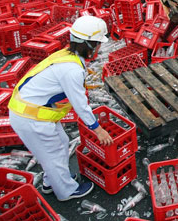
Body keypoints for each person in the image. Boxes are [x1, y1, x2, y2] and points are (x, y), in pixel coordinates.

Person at [8, 15, 114, 201]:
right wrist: (98, 130)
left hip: (36, 112)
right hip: (30, 118)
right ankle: (65, 191)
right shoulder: (71, 70)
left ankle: (52, 181)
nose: (99, 48)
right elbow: (81, 106)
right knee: (53, 153)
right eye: (98, 43)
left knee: (61, 143)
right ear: (89, 44)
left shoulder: (67, 55)